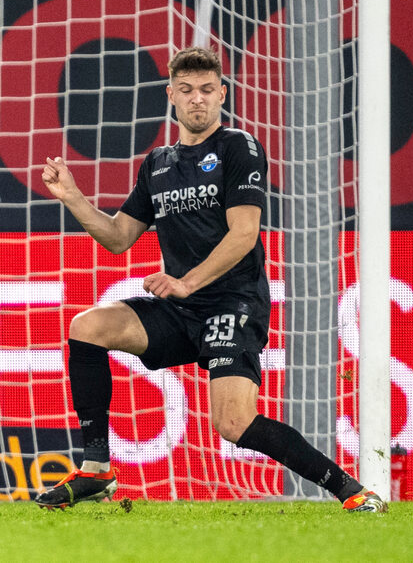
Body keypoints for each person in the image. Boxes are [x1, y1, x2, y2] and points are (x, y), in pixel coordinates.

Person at [35, 46, 386, 512]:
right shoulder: (158, 163)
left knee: (234, 423)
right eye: (186, 90)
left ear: (222, 93)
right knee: (87, 326)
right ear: (171, 97)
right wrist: (74, 197)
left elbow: (244, 235)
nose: (197, 99)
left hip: (232, 303)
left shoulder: (238, 148)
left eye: (206, 90)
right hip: (182, 309)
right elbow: (119, 238)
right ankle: (97, 470)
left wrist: (185, 282)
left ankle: (352, 491)